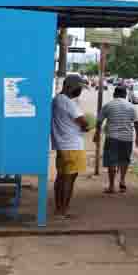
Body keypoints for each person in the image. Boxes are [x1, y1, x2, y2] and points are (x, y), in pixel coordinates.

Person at [52, 74, 90, 217]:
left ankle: (58, 209)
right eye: (78, 88)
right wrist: (86, 126)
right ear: (69, 87)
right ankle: (63, 211)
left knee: (61, 177)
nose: (79, 91)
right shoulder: (68, 102)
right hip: (72, 145)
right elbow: (84, 122)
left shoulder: (57, 100)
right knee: (69, 179)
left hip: (62, 145)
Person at [94, 85, 138, 193]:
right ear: (125, 95)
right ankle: (123, 181)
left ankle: (111, 186)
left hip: (112, 137)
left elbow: (99, 121)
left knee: (112, 161)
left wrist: (97, 133)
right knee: (124, 160)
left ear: (114, 94)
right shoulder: (131, 106)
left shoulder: (108, 105)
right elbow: (136, 123)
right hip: (127, 138)